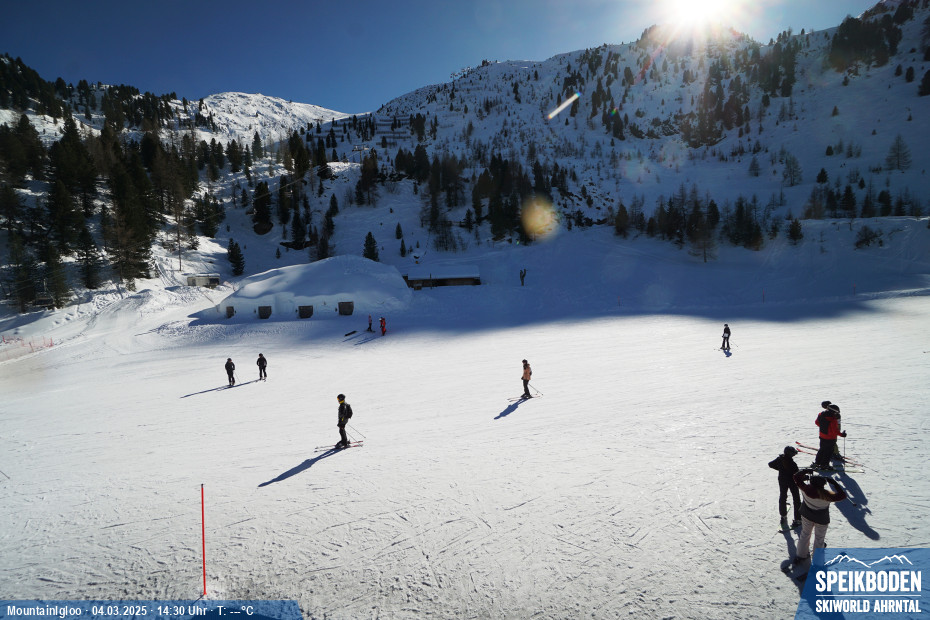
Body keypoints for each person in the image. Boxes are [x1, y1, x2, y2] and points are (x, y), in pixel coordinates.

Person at [792, 468, 847, 565]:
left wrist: (806, 470)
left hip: (807, 515)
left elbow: (796, 477)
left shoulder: (806, 489)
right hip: (821, 519)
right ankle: (817, 561)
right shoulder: (827, 495)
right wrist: (835, 484)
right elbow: (842, 495)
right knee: (819, 539)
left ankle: (801, 555)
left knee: (805, 534)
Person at [769, 446, 802, 530]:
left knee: (783, 496)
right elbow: (797, 474)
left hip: (782, 480)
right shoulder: (792, 464)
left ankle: (783, 515)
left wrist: (780, 469)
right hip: (792, 482)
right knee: (796, 499)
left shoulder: (780, 459)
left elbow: (770, 464)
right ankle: (798, 519)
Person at [814, 402, 846, 469]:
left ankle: (817, 463)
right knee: (828, 452)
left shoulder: (821, 414)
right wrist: (842, 434)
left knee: (822, 449)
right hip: (830, 438)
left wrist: (824, 427)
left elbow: (816, 422)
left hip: (822, 436)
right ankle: (824, 465)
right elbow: (835, 431)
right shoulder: (833, 419)